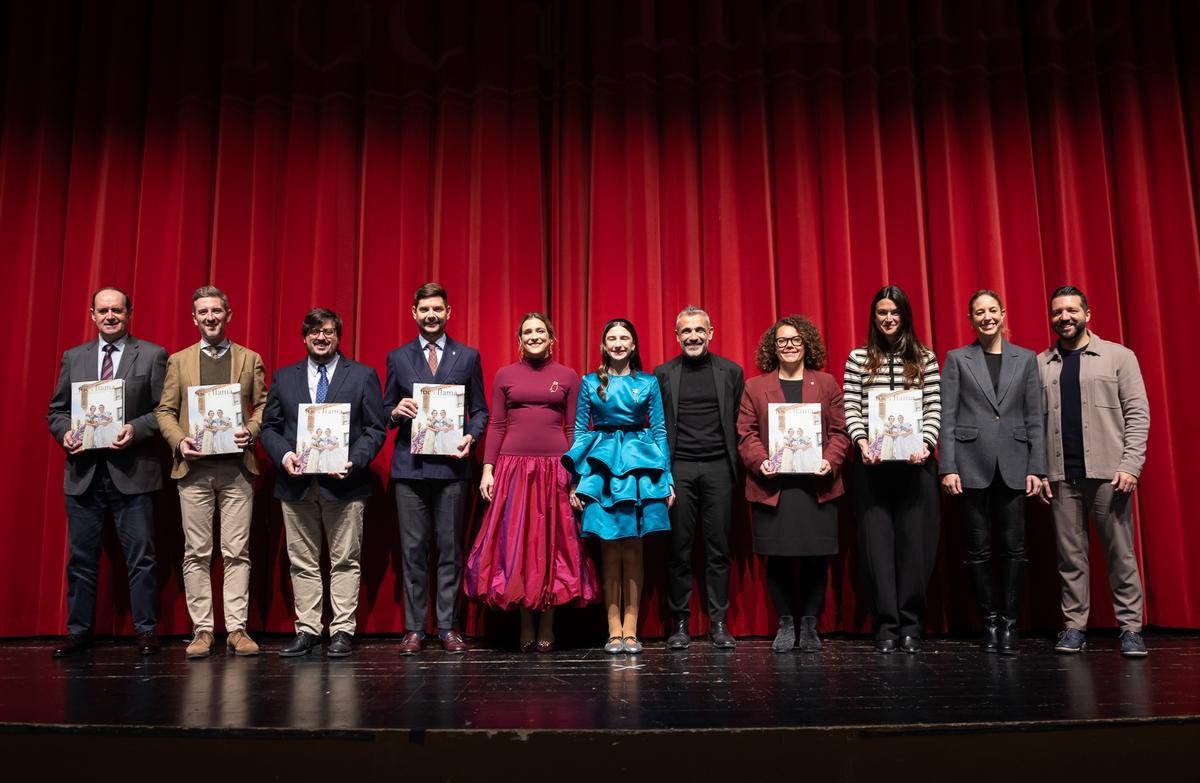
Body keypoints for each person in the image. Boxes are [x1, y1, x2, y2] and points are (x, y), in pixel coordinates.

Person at [465, 313, 599, 651]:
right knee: (519, 546)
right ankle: (525, 621)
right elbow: (496, 425)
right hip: (513, 470)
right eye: (528, 331)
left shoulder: (568, 376)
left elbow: (573, 430)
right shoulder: (505, 375)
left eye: (540, 331)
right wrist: (488, 468)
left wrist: (574, 478)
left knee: (552, 546)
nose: (534, 336)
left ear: (551, 337)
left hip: (555, 469)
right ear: (519, 339)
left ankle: (549, 623)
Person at [46, 287, 168, 657]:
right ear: (92, 315)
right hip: (83, 474)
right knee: (81, 559)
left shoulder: (152, 355)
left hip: (133, 472)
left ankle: (146, 631)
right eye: (103, 310)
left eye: (117, 310)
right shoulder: (73, 357)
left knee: (141, 558)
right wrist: (65, 432)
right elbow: (56, 410)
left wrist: (136, 429)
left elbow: (164, 411)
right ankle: (79, 632)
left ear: (129, 313)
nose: (110, 316)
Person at [260, 307, 386, 658]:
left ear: (338, 336)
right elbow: (269, 428)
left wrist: (354, 460)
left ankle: (342, 629)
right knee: (302, 560)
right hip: (296, 484)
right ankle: (308, 630)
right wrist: (285, 456)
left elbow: (375, 429)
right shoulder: (285, 377)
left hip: (345, 483)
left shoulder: (362, 376)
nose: (320, 337)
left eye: (328, 331)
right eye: (314, 331)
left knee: (345, 559)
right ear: (304, 337)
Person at [1037, 286, 1150, 657]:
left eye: (1071, 310)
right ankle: (1073, 627)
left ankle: (1130, 627)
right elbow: (1033, 423)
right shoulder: (1042, 363)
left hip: (1109, 474)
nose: (1064, 317)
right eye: (1057, 312)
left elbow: (1137, 415)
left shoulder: (1118, 357)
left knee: (1120, 554)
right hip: (1060, 475)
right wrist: (1039, 470)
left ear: (1088, 313)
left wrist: (1130, 465)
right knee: (1070, 557)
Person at [156, 286, 268, 658]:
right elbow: (164, 411)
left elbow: (265, 407)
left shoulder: (249, 358)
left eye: (216, 311)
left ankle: (236, 629)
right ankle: (202, 631)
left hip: (237, 470)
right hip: (193, 471)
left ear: (228, 314)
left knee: (237, 552)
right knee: (197, 553)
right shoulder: (179, 361)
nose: (210, 318)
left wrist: (250, 431)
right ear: (194, 318)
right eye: (203, 312)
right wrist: (179, 440)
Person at [384, 283, 488, 655]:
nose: (431, 315)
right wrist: (395, 412)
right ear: (414, 313)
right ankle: (414, 628)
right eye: (424, 309)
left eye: (437, 309)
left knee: (449, 550)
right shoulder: (397, 357)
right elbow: (383, 412)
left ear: (449, 313)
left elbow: (481, 410)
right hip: (409, 471)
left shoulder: (468, 356)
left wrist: (471, 438)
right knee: (412, 551)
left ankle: (447, 626)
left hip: (452, 469)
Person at [939, 290, 1045, 654]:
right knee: (977, 549)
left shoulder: (1026, 359)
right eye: (979, 312)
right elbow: (947, 417)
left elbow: (1034, 418)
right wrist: (947, 466)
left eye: (992, 311)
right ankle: (989, 622)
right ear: (971, 320)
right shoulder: (956, 359)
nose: (986, 317)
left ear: (1003, 314)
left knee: (1014, 549)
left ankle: (1010, 624)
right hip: (971, 464)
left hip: (1015, 463)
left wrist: (1038, 467)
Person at [738, 315, 850, 653]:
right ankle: (786, 623)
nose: (789, 346)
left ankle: (809, 624)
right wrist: (762, 462)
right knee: (779, 558)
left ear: (807, 345)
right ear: (773, 347)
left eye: (795, 340)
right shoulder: (755, 386)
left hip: (816, 488)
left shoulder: (827, 384)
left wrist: (829, 460)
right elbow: (746, 434)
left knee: (816, 558)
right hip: (774, 489)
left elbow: (840, 432)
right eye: (782, 341)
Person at [564, 319, 674, 654]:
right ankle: (613, 631)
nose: (618, 343)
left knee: (634, 548)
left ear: (634, 344)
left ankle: (632, 630)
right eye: (611, 337)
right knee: (609, 548)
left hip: (641, 469)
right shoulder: (588, 382)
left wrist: (667, 478)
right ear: (603, 345)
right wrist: (576, 482)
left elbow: (658, 431)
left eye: (624, 337)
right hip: (602, 470)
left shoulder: (649, 382)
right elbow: (581, 432)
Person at [844, 285, 941, 654]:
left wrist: (925, 444)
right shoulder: (857, 359)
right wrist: (861, 443)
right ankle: (885, 625)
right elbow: (851, 407)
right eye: (882, 312)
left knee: (914, 549)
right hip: (872, 467)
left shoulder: (925, 358)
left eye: (895, 313)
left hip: (916, 469)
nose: (888, 319)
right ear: (874, 317)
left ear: (905, 317)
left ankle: (911, 626)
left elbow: (934, 406)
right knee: (876, 549)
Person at [652, 306, 744, 649]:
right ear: (676, 336)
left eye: (699, 331)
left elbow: (739, 421)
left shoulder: (731, 372)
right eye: (686, 332)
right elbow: (655, 427)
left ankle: (718, 623)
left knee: (719, 548)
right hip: (679, 469)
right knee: (679, 549)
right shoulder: (662, 374)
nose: (693, 337)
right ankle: (679, 623)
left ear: (711, 333)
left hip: (721, 468)